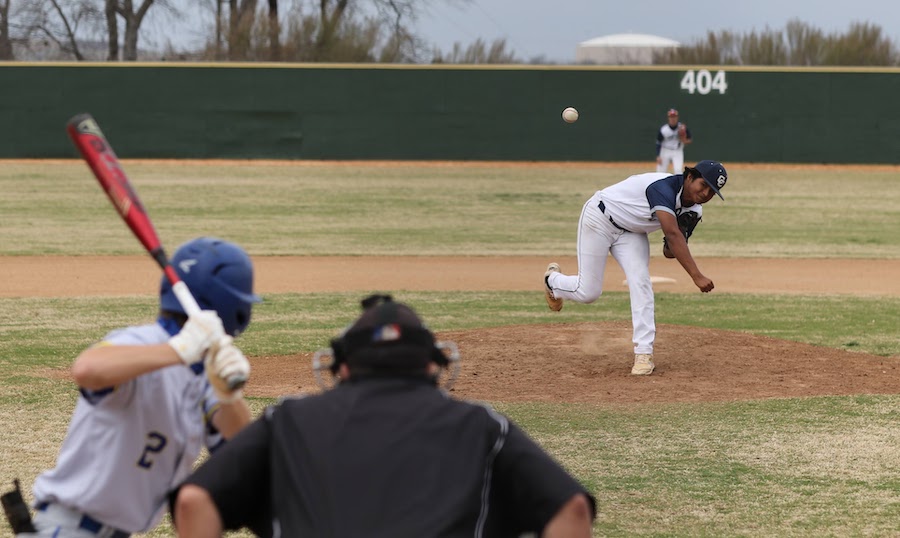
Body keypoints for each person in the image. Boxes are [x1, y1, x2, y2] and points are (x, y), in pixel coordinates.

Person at [172, 294, 597, 538]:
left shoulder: (288, 420)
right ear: (432, 365)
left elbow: (193, 501)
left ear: (342, 367)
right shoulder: (483, 426)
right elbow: (572, 510)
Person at [21, 237, 261, 537]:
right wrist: (179, 350)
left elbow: (242, 447)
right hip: (68, 528)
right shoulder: (144, 343)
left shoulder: (206, 374)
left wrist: (230, 395)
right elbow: (86, 369)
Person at [543, 160, 728, 376]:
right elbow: (672, 235)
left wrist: (680, 229)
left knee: (641, 282)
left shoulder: (694, 211)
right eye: (703, 185)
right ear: (689, 177)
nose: (705, 193)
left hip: (631, 232)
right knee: (588, 292)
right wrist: (696, 275)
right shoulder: (662, 187)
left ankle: (643, 354)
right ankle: (552, 281)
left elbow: (671, 250)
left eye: (712, 191)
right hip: (599, 219)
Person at [656, 108, 692, 174]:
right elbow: (658, 142)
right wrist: (658, 155)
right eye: (671, 117)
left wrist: (684, 140)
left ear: (677, 117)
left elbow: (689, 140)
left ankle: (679, 184)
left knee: (678, 171)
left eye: (674, 117)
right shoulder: (664, 129)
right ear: (668, 118)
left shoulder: (682, 128)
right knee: (660, 171)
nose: (673, 119)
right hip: (665, 150)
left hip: (677, 151)